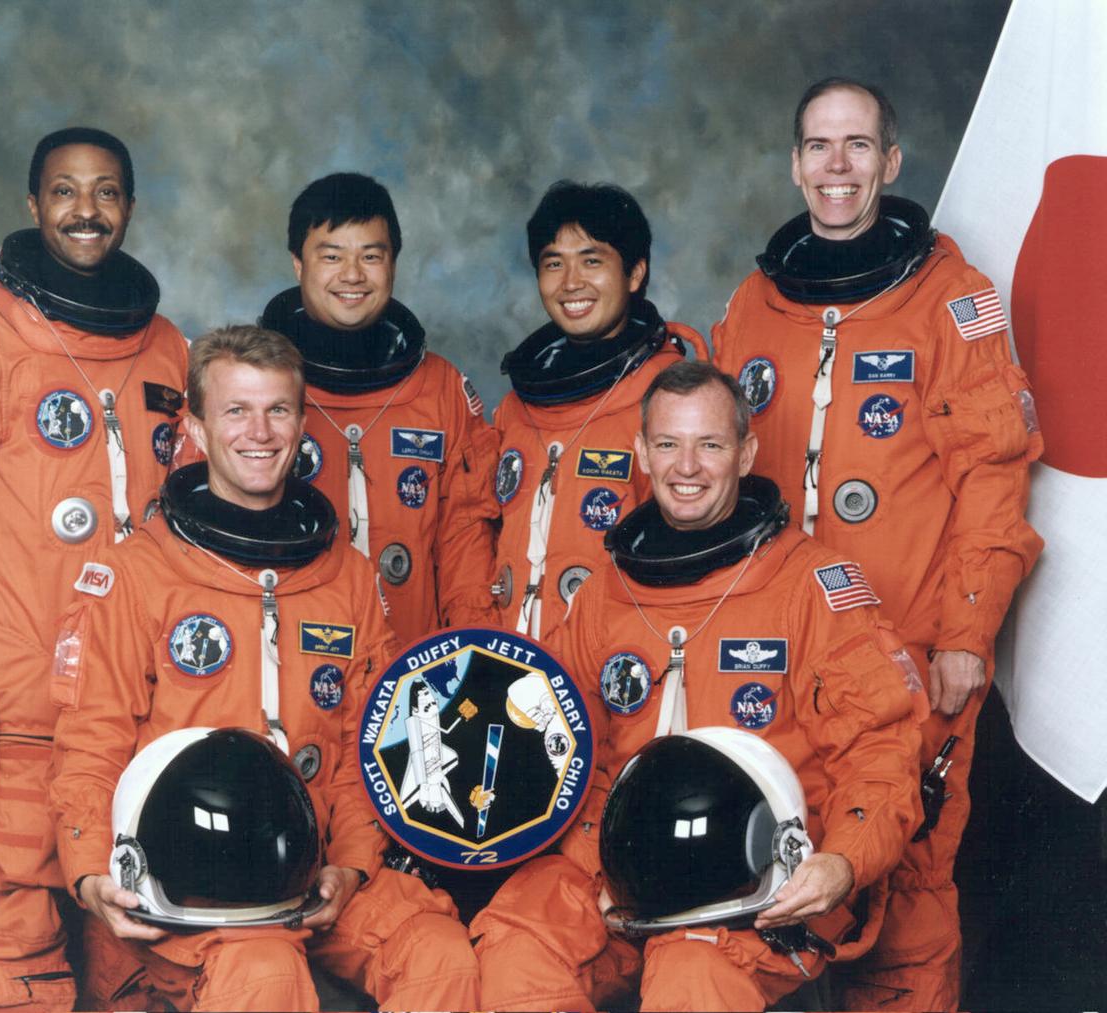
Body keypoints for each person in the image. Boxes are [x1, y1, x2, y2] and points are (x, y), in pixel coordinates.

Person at [711, 77, 1044, 1010]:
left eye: (858, 146)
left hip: (913, 649)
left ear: (891, 164)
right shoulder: (753, 304)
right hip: (780, 652)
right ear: (795, 164)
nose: (838, 167)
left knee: (910, 890)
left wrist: (969, 636)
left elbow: (992, 473)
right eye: (820, 146)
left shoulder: (952, 299)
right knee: (767, 881)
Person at [48, 326, 480, 1011]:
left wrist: (352, 865)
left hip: (317, 867)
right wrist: (87, 871)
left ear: (303, 422)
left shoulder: (349, 577)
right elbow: (90, 745)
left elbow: (368, 750)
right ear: (194, 426)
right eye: (235, 410)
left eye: (277, 409)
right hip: (194, 876)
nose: (260, 431)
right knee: (266, 971)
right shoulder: (137, 574)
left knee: (440, 957)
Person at [470, 361, 923, 1012]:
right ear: (641, 454)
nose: (687, 467)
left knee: (690, 972)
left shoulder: (811, 586)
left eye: (709, 444)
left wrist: (843, 860)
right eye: (668, 444)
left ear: (746, 452)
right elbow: (557, 751)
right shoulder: (604, 597)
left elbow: (880, 748)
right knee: (513, 945)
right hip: (621, 868)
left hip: (761, 877)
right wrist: (601, 860)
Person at [0, 127, 189, 1011]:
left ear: (129, 208)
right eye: (65, 191)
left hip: (135, 701)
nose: (86, 211)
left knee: (134, 935)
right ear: (32, 206)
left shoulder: (167, 345)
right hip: (19, 702)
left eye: (105, 192)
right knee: (22, 940)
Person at [259, 173, 499, 643]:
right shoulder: (254, 383)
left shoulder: (440, 389)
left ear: (393, 264)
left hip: (414, 664)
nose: (352, 275)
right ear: (297, 264)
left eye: (371, 256)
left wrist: (474, 651)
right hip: (291, 660)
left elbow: (465, 542)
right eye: (331, 256)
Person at [491, 180, 706, 639]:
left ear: (633, 273)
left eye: (592, 260)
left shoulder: (672, 400)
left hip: (617, 662)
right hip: (510, 663)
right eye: (554, 263)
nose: (571, 283)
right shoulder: (516, 409)